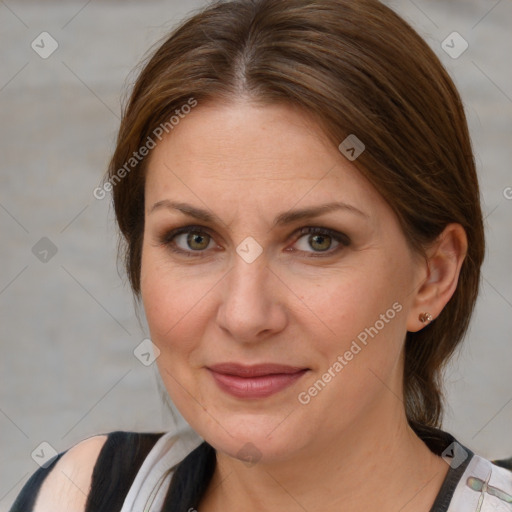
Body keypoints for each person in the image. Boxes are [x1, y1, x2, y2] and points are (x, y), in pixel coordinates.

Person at [10, 0, 512, 511]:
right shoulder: (79, 494)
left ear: (433, 274)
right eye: (194, 239)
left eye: (318, 240)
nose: (245, 316)